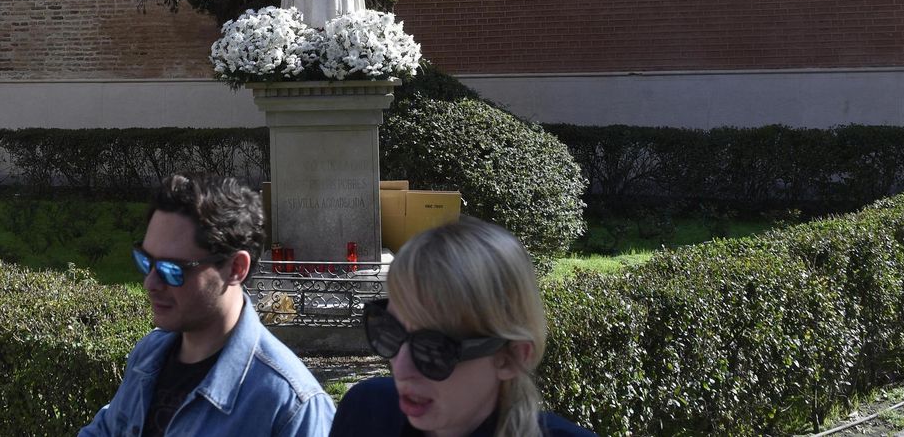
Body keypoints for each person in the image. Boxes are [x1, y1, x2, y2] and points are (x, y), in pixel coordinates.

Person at [79, 173, 333, 437]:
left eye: (171, 269)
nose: (150, 283)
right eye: (146, 261)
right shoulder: (149, 354)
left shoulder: (290, 406)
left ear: (236, 268)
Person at [329, 217, 597, 437]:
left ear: (511, 357)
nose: (400, 369)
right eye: (389, 332)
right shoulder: (367, 412)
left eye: (433, 349)